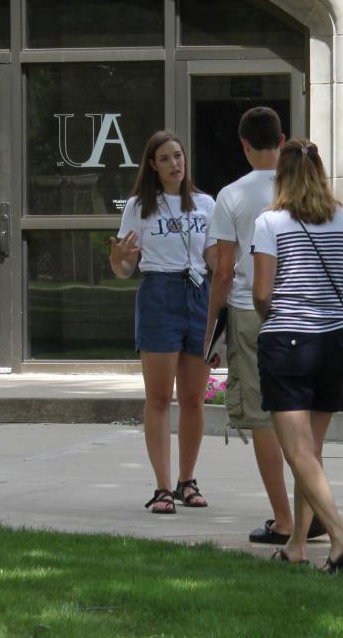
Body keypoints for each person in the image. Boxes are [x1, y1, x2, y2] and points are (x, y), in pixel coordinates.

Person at [203, 107, 325, 545]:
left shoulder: (231, 195)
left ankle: (285, 519)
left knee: (263, 418)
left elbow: (221, 271)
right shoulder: (307, 189)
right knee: (305, 419)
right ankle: (315, 511)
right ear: (283, 139)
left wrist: (209, 328)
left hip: (250, 310)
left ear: (243, 144)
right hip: (305, 310)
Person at [252, 139, 343, 573]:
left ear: (280, 176)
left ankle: (340, 535)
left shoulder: (270, 223)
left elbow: (262, 292)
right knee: (311, 450)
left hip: (288, 342)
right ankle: (298, 545)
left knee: (298, 452)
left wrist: (276, 312)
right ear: (320, 174)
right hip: (335, 341)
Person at [109, 130, 216, 514]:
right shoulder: (140, 206)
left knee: (193, 398)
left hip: (198, 295)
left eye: (179, 156)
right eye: (166, 158)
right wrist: (119, 257)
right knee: (158, 397)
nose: (175, 163)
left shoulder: (205, 203)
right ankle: (162, 488)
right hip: (158, 294)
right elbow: (124, 268)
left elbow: (216, 261)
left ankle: (188, 481)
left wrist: (223, 305)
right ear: (153, 165)